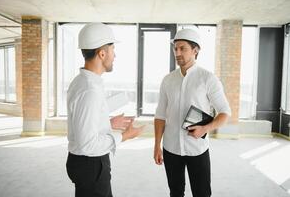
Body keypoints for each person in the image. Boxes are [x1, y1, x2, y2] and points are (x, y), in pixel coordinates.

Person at [66, 23, 144, 197]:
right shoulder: (89, 89)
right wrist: (124, 136)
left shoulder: (82, 82)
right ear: (102, 53)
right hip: (91, 165)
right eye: (112, 49)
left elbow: (83, 122)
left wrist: (107, 123)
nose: (114, 55)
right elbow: (88, 145)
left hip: (83, 163)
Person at [154, 28, 231, 197]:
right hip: (171, 148)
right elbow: (160, 115)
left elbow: (225, 112)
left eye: (183, 48)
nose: (177, 52)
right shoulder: (168, 80)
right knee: (175, 192)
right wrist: (157, 145)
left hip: (197, 148)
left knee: (202, 193)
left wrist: (205, 129)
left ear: (195, 50)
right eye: (175, 48)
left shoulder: (208, 79)